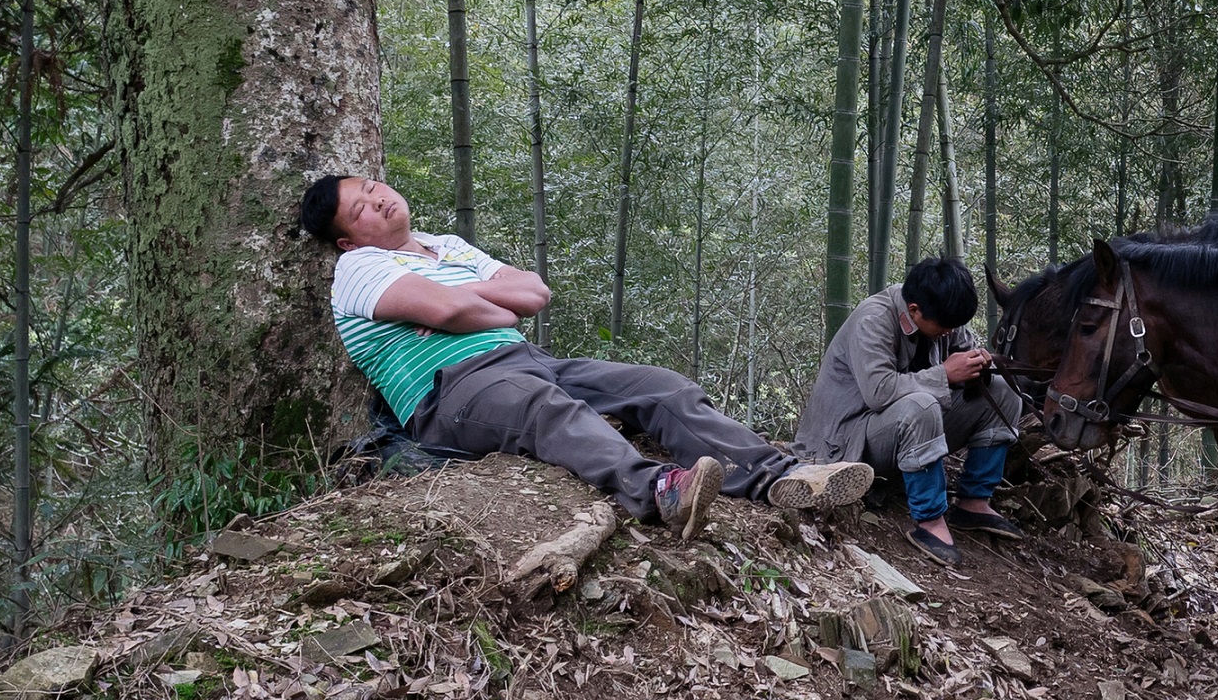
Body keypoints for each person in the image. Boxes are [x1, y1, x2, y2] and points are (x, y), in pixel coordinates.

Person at [302, 174, 869, 537]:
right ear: (349, 240)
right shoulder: (357, 269)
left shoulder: (445, 246)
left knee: (660, 385)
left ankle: (781, 477)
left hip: (527, 357)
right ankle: (659, 491)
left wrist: (470, 301)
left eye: (372, 187)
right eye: (360, 210)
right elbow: (454, 312)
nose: (377, 198)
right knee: (542, 406)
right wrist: (483, 304)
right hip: (450, 389)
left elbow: (534, 292)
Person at [797, 255, 1022, 565]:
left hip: (899, 432)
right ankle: (929, 520)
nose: (950, 333)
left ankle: (973, 501)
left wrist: (978, 365)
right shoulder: (873, 319)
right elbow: (880, 392)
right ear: (914, 311)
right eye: (944, 328)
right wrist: (944, 374)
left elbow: (961, 356)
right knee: (921, 404)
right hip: (847, 443)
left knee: (1003, 393)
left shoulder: (941, 316)